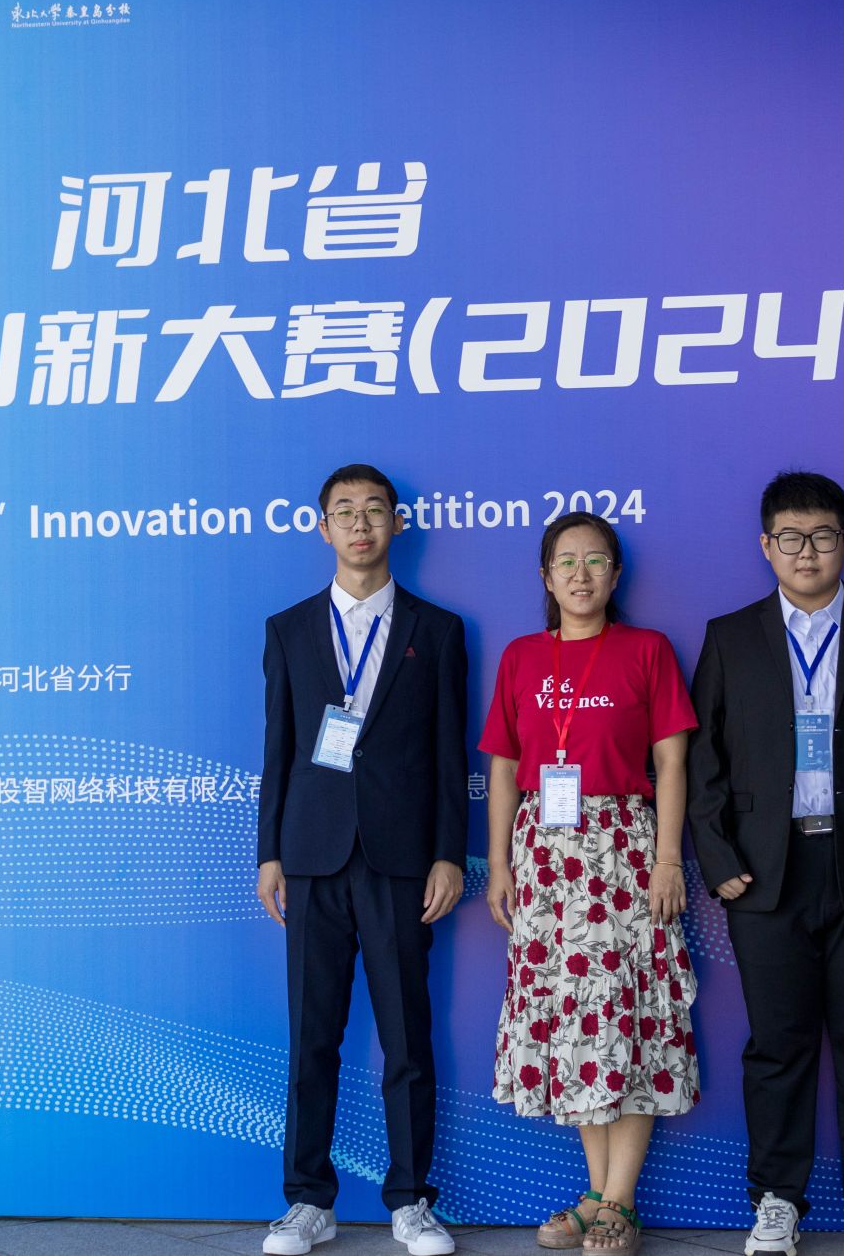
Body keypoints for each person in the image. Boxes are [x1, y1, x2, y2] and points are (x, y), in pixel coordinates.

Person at [685, 471, 844, 1256]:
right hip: (765, 872)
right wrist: (718, 856)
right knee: (778, 1043)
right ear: (766, 545)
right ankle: (776, 1198)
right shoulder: (731, 636)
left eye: (823, 535)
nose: (808, 552)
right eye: (792, 538)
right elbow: (704, 762)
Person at [257, 463, 469, 1256]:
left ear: (396, 524)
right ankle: (307, 1200)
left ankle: (411, 1199)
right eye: (344, 511)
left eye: (374, 510)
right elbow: (278, 747)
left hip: (400, 859)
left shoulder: (435, 629)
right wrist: (269, 852)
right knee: (311, 1036)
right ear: (323, 528)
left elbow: (450, 754)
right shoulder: (289, 628)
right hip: (311, 857)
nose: (359, 523)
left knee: (406, 1038)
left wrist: (448, 853)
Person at [480, 511, 701, 1255]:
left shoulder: (647, 650)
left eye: (596, 559)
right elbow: (504, 769)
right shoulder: (521, 657)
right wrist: (501, 865)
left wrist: (668, 859)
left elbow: (671, 763)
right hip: (545, 858)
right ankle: (597, 1193)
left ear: (616, 573)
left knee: (628, 1018)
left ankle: (619, 1201)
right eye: (566, 561)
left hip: (624, 853)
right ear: (546, 577)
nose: (581, 574)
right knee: (577, 1022)